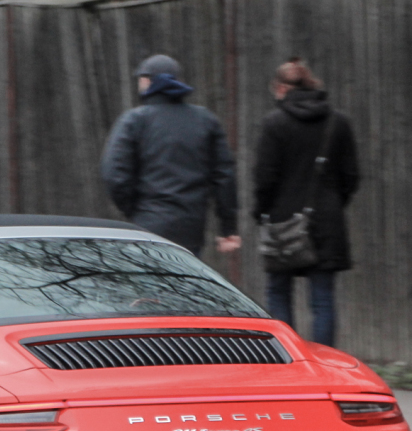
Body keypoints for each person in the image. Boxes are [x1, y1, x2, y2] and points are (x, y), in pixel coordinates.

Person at [253, 58, 359, 347]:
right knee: (323, 298)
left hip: (282, 220)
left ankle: (287, 362)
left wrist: (261, 212)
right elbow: (351, 176)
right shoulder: (338, 122)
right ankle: (325, 364)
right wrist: (333, 203)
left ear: (281, 87)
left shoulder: (274, 123)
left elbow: (265, 176)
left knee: (278, 291)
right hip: (326, 220)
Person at [100, 54, 241, 257]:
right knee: (185, 287)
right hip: (191, 230)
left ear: (148, 81)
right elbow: (224, 177)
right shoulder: (205, 121)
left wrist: (136, 211)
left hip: (148, 228)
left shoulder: (134, 121)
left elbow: (114, 174)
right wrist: (228, 228)